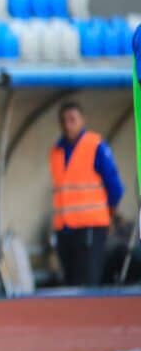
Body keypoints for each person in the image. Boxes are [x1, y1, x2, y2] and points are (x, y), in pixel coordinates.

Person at [50, 101, 123, 286]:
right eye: (64, 121)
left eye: (72, 120)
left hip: (90, 227)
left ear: (83, 120)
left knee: (87, 284)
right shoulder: (56, 151)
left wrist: (109, 215)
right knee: (70, 284)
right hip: (65, 229)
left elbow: (115, 187)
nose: (68, 125)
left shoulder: (96, 146)